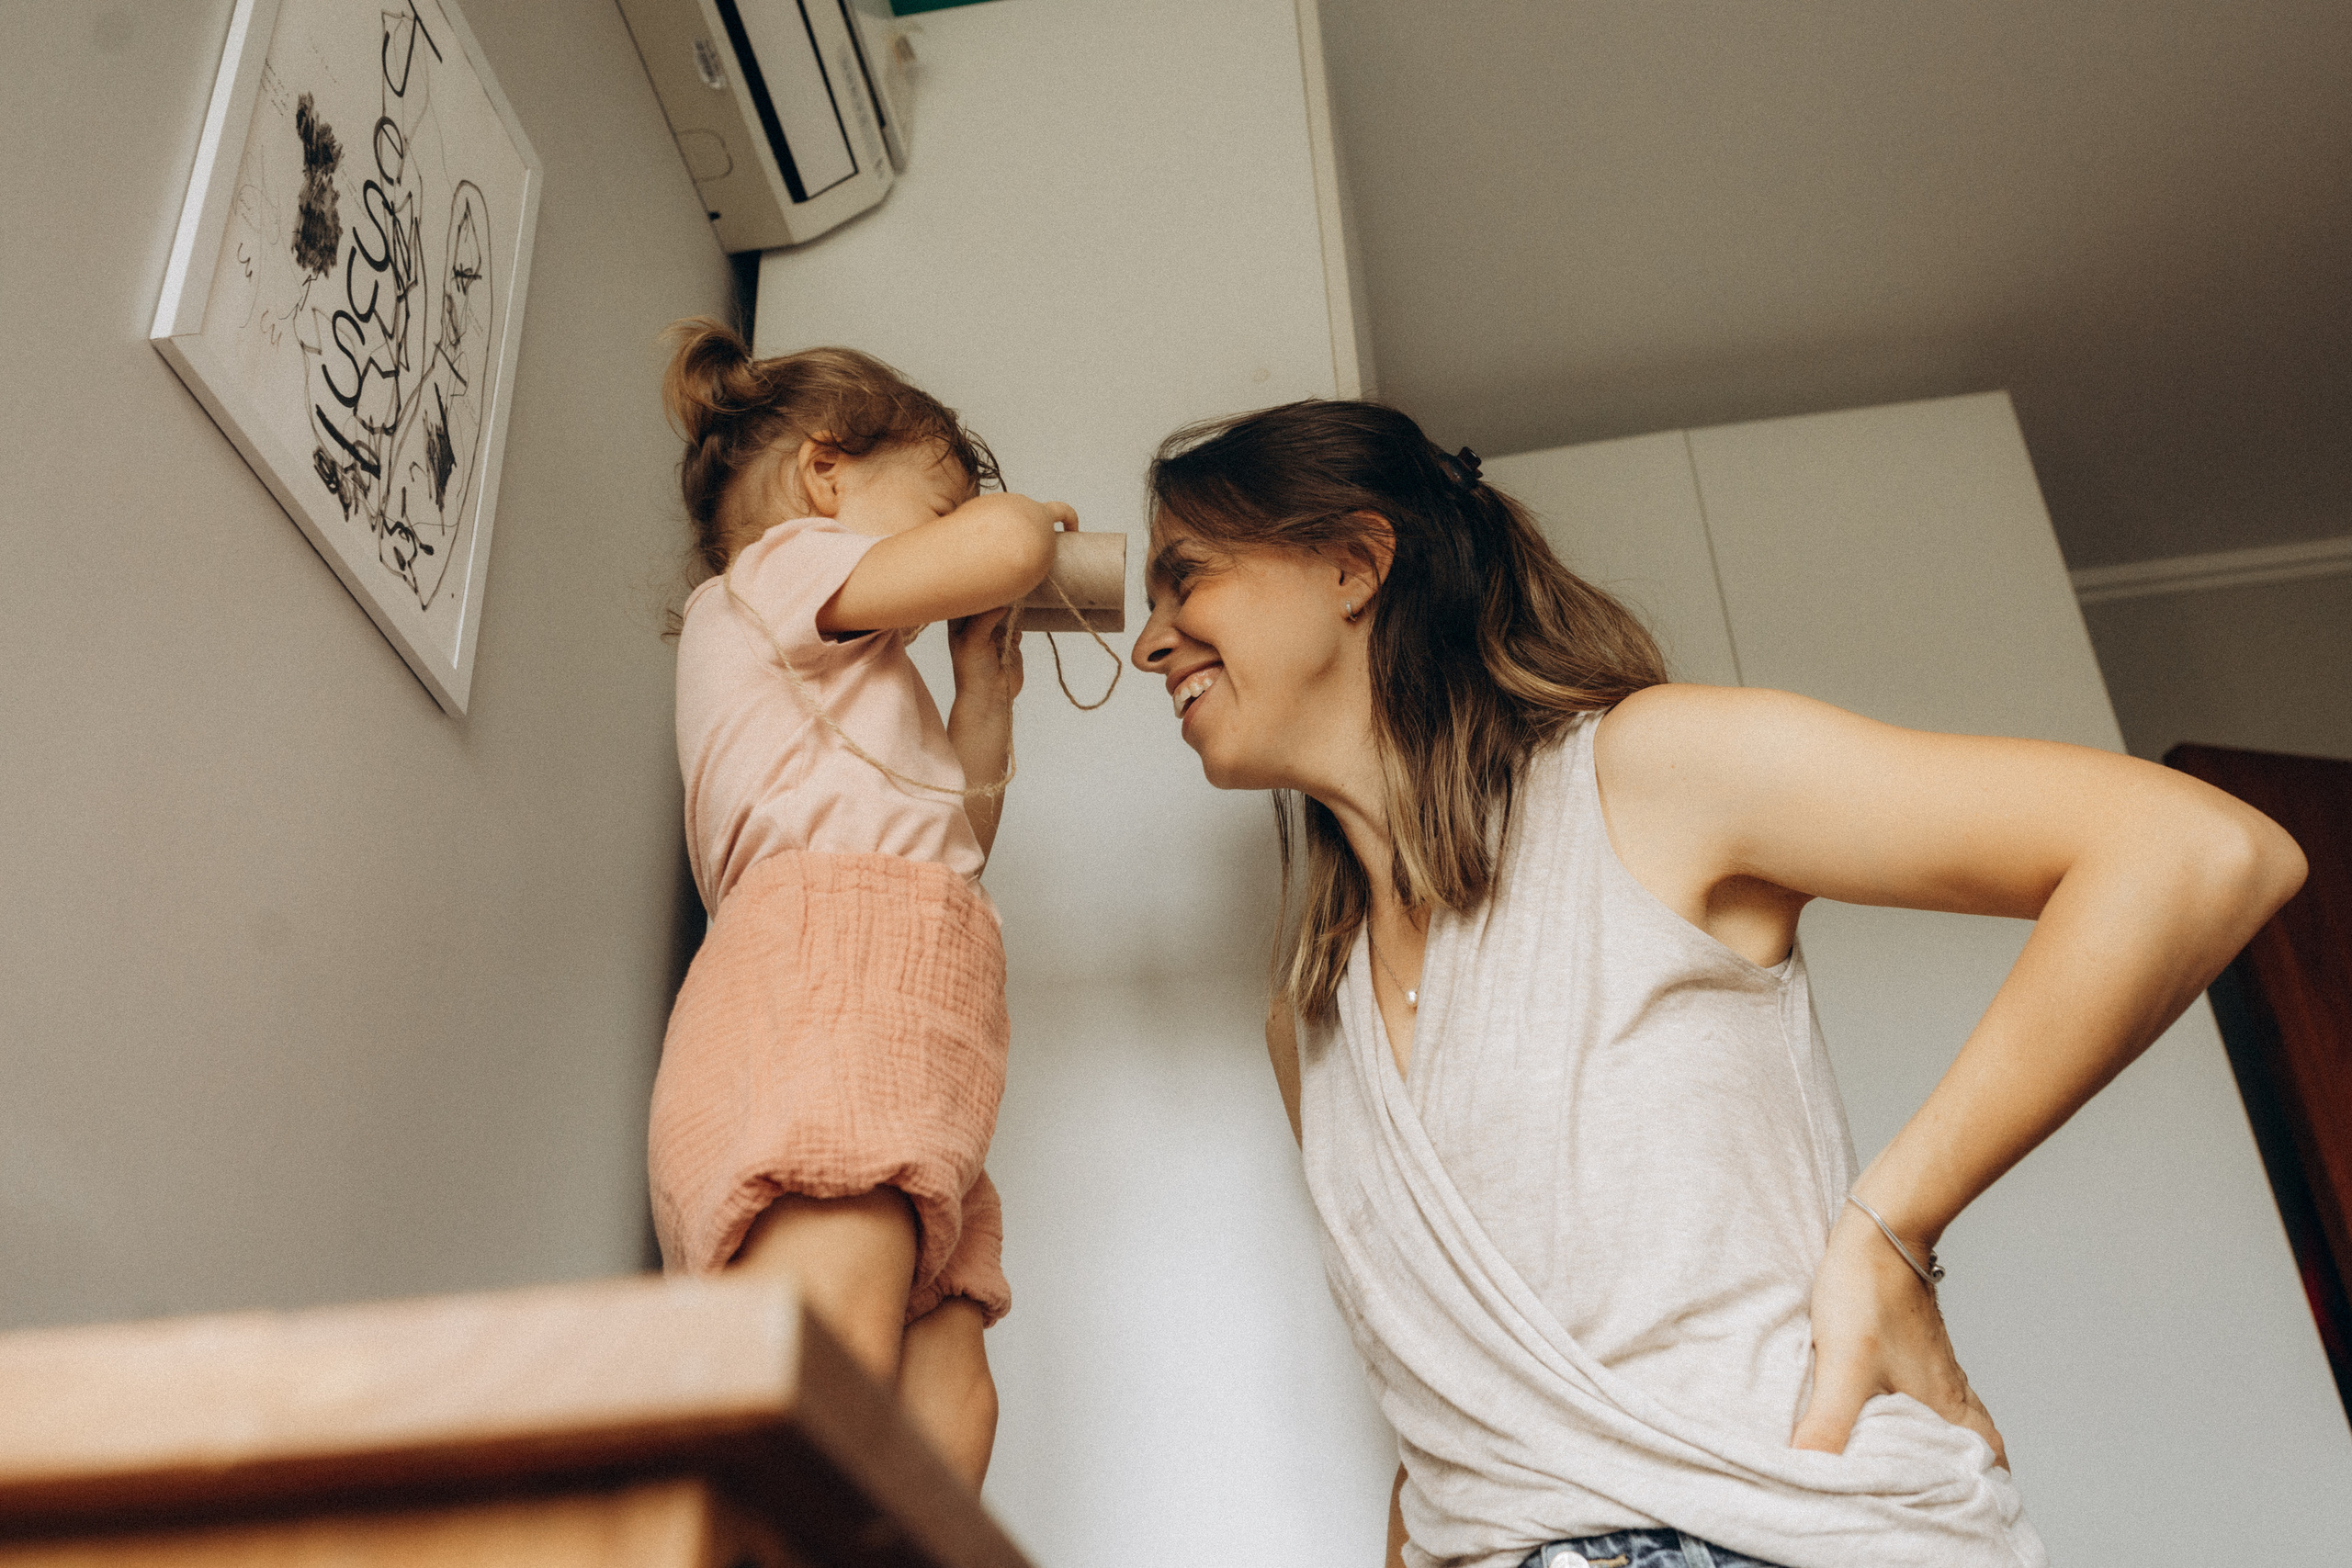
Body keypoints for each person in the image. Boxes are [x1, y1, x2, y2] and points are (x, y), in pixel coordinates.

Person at [1127, 399, 2305, 1568]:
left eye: (1185, 579)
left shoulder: (1646, 773)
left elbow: (2198, 853)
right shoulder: (1310, 1028)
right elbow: (1462, 1411)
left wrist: (1890, 1233)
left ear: (1354, 561)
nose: (1150, 642)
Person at [647, 320, 1075, 1486]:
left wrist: (982, 681)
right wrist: (1018, 526)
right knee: (826, 1354)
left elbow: (954, 840)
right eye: (936, 505)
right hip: (829, 987)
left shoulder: (840, 661)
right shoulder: (773, 571)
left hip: (904, 1001)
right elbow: (995, 549)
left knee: (948, 1382)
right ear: (823, 474)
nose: (952, 540)